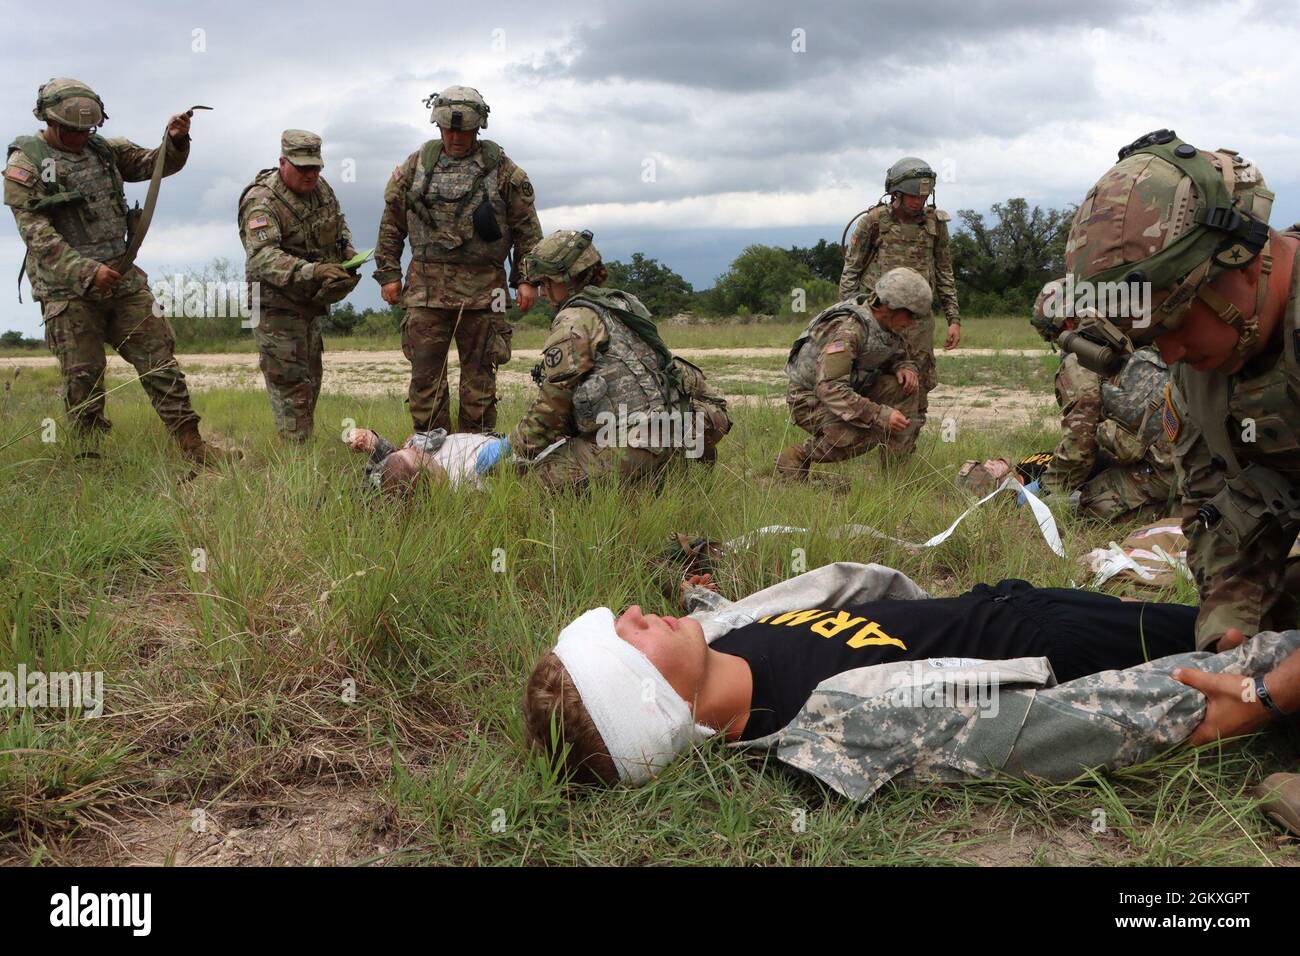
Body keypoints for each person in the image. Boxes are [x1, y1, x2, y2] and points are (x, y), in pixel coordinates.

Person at [1060, 129, 1300, 830]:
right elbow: (1218, 512)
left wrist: (1275, 691)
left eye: (1175, 319)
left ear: (1240, 263)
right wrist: (1232, 630)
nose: (1166, 351)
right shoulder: (1199, 377)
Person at [522, 562, 1207, 789]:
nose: (639, 612)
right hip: (1062, 649)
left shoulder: (731, 638)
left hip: (1012, 599)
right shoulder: (827, 727)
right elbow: (1075, 727)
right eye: (628, 641)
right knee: (1240, 631)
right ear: (659, 707)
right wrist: (1256, 691)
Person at [4, 77, 231, 463]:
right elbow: (36, 234)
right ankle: (89, 456)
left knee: (159, 359)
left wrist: (175, 140)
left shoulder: (104, 151)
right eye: (71, 130)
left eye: (86, 130)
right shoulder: (25, 163)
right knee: (84, 375)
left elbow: (156, 165)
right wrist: (86, 271)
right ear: (48, 120)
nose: (79, 137)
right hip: (67, 291)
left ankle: (194, 446)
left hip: (123, 281)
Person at [374, 85, 542, 435]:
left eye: (464, 130)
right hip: (425, 290)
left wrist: (527, 278)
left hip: (485, 292)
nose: (456, 137)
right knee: (425, 378)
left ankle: (473, 452)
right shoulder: (418, 165)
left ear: (478, 128)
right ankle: (429, 451)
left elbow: (527, 230)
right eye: (449, 129)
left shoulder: (504, 171)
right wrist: (388, 272)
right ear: (438, 126)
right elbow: (393, 221)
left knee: (480, 381)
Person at [505, 229, 726, 489]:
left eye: (545, 283)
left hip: (633, 442)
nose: (542, 292)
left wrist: (511, 447)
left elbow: (552, 406)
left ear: (566, 277)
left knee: (525, 485)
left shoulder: (573, 320)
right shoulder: (625, 303)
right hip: (677, 432)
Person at [238, 130, 359, 442]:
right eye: (303, 168)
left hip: (308, 303)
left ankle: (300, 453)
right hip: (274, 304)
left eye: (316, 167)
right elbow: (263, 256)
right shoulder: (261, 200)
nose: (311, 174)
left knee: (310, 381)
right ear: (282, 162)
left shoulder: (321, 190)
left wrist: (347, 251)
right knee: (291, 386)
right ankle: (296, 465)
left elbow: (337, 221)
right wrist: (314, 271)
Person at [838, 157, 961, 457]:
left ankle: (898, 459)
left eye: (923, 195)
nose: (919, 201)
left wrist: (953, 318)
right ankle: (863, 442)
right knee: (874, 384)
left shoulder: (935, 225)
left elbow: (944, 271)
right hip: (878, 319)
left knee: (916, 389)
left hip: (918, 324)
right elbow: (851, 271)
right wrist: (847, 314)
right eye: (913, 195)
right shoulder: (874, 222)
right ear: (895, 193)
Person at [1030, 279, 1177, 522]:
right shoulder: (1139, 332)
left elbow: (1079, 447)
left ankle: (1182, 509)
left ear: (1067, 324)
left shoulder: (1081, 359)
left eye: (1053, 337)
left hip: (1171, 465)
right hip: (1197, 449)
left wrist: (1044, 491)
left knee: (1090, 506)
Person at [775, 267, 927, 479]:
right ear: (889, 306)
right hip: (809, 399)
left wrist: (903, 366)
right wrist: (878, 414)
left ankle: (894, 480)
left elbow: (894, 352)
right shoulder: (849, 330)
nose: (912, 322)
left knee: (904, 389)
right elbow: (830, 387)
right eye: (909, 314)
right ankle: (798, 456)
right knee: (867, 433)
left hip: (851, 389)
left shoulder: (886, 324)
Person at [345, 425, 500, 497]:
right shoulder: (467, 473)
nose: (414, 448)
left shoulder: (421, 464)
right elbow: (509, 450)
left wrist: (376, 443)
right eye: (416, 454)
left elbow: (399, 470)